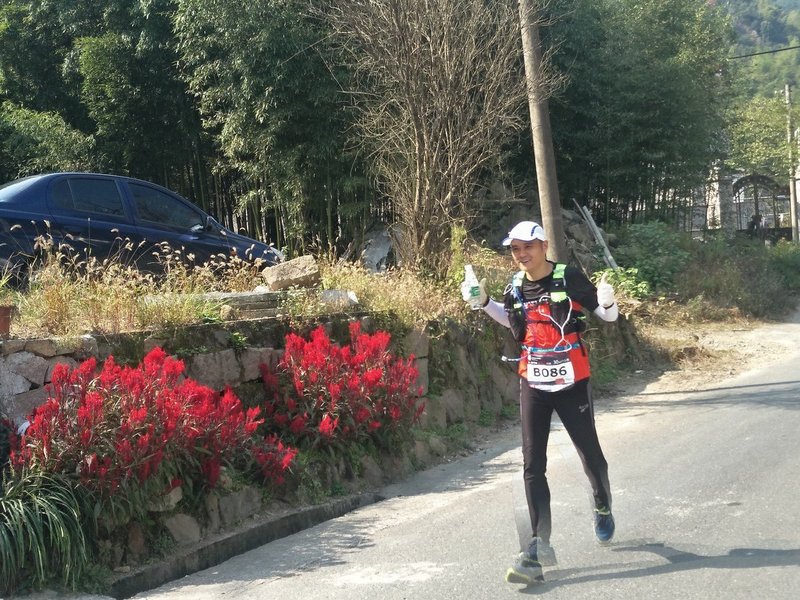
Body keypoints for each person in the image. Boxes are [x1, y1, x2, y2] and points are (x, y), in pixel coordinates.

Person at [460, 220, 619, 585]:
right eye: (515, 249)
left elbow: (606, 316)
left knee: (591, 456)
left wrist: (609, 301)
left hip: (572, 381)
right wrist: (483, 302)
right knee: (532, 464)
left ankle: (602, 503)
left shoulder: (568, 277)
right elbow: (510, 320)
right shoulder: (515, 285)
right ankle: (536, 546)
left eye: (527, 247)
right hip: (533, 381)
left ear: (544, 245)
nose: (521, 254)